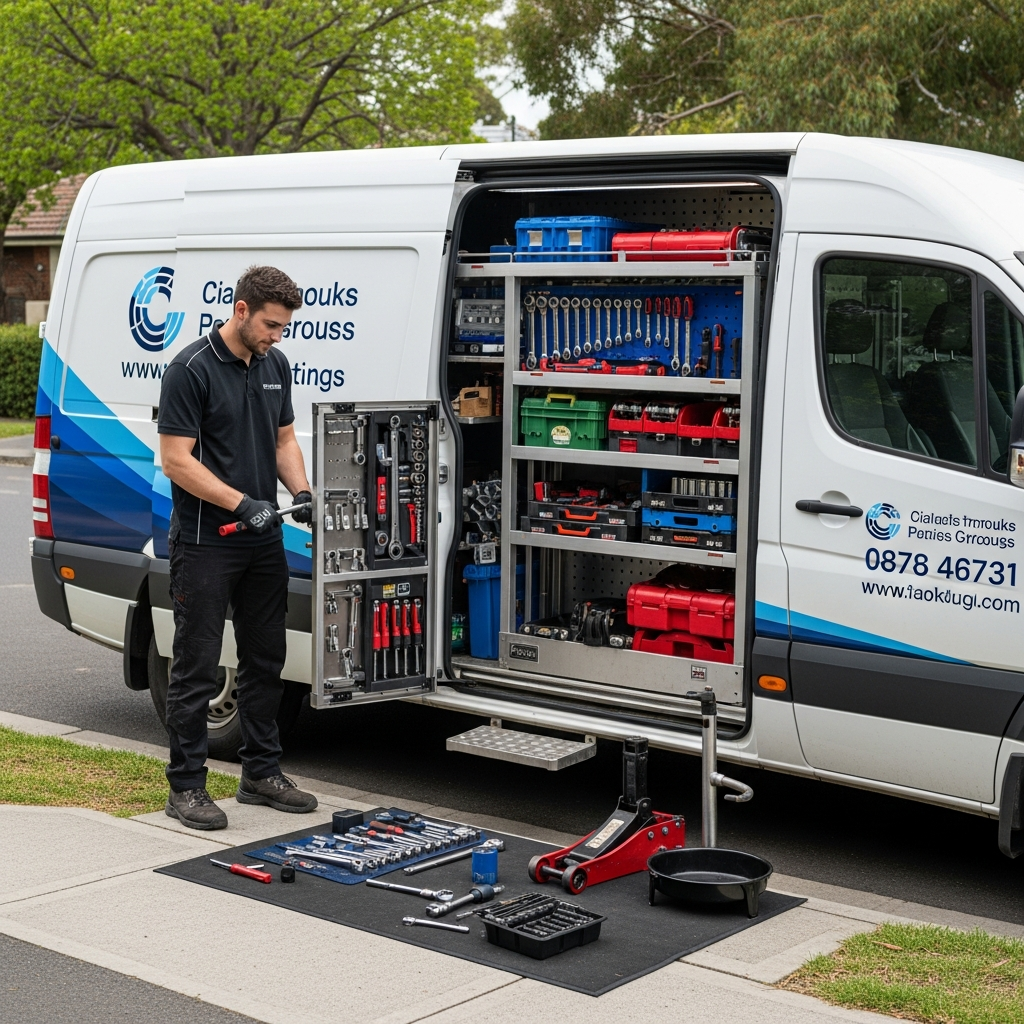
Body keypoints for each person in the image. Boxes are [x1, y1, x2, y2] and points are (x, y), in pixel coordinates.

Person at [157, 265, 317, 830]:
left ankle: (260, 773)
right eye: (272, 324)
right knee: (198, 666)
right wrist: (239, 502)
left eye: (284, 327)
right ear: (242, 310)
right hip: (206, 541)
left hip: (263, 539)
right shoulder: (190, 368)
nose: (278, 335)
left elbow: (284, 439)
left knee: (265, 660)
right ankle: (187, 788)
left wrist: (300, 489)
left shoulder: (275, 365)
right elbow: (175, 459)